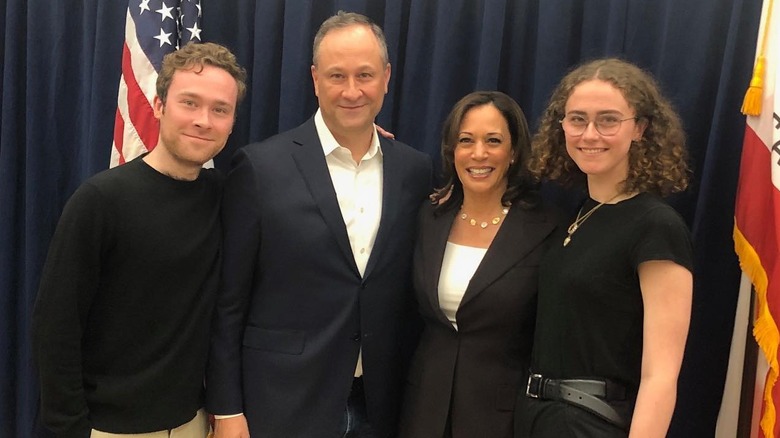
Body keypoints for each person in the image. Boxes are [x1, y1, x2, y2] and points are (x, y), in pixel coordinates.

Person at [206, 11, 432, 438]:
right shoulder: (260, 167)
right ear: (314, 79)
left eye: (364, 74)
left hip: (383, 404)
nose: (352, 91)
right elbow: (228, 300)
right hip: (282, 401)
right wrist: (226, 406)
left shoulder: (415, 170)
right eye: (336, 76)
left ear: (386, 77)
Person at [31, 42, 247, 438]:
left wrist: (361, 136)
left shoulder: (228, 196)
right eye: (189, 103)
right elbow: (56, 327)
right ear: (160, 106)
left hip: (194, 425)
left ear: (232, 122)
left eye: (220, 109)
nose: (203, 120)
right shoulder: (100, 200)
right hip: (109, 430)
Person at [517, 58, 693, 438]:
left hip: (592, 424)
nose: (590, 134)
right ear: (560, 125)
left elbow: (660, 375)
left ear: (641, 129)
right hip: (537, 417)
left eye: (608, 120)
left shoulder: (656, 226)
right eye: (577, 119)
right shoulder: (579, 214)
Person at [397, 91, 559, 437]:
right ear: (452, 150)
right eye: (466, 141)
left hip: (502, 418)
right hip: (423, 410)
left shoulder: (545, 229)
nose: (479, 153)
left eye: (494, 141)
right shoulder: (430, 216)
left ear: (514, 152)